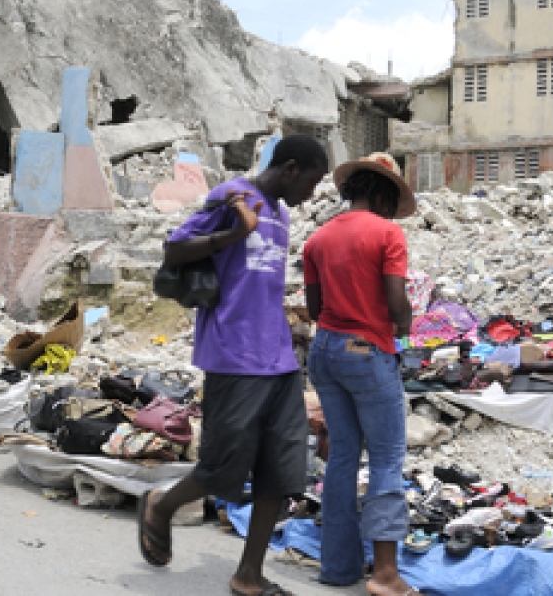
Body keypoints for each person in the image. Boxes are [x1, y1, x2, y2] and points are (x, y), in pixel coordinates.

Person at [138, 134, 329, 596]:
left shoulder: (280, 213)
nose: (310, 194)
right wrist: (234, 233)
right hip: (232, 354)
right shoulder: (231, 197)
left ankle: (248, 576)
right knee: (222, 466)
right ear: (288, 169)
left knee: (281, 472)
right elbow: (174, 249)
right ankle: (161, 508)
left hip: (279, 359)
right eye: (309, 182)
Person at [303, 153, 421, 596]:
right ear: (379, 193)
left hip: (325, 350)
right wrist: (406, 328)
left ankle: (338, 567)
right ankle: (386, 574)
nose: (392, 211)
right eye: (390, 199)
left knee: (343, 457)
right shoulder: (388, 233)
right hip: (367, 351)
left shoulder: (317, 239)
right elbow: (395, 301)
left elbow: (314, 310)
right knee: (388, 458)